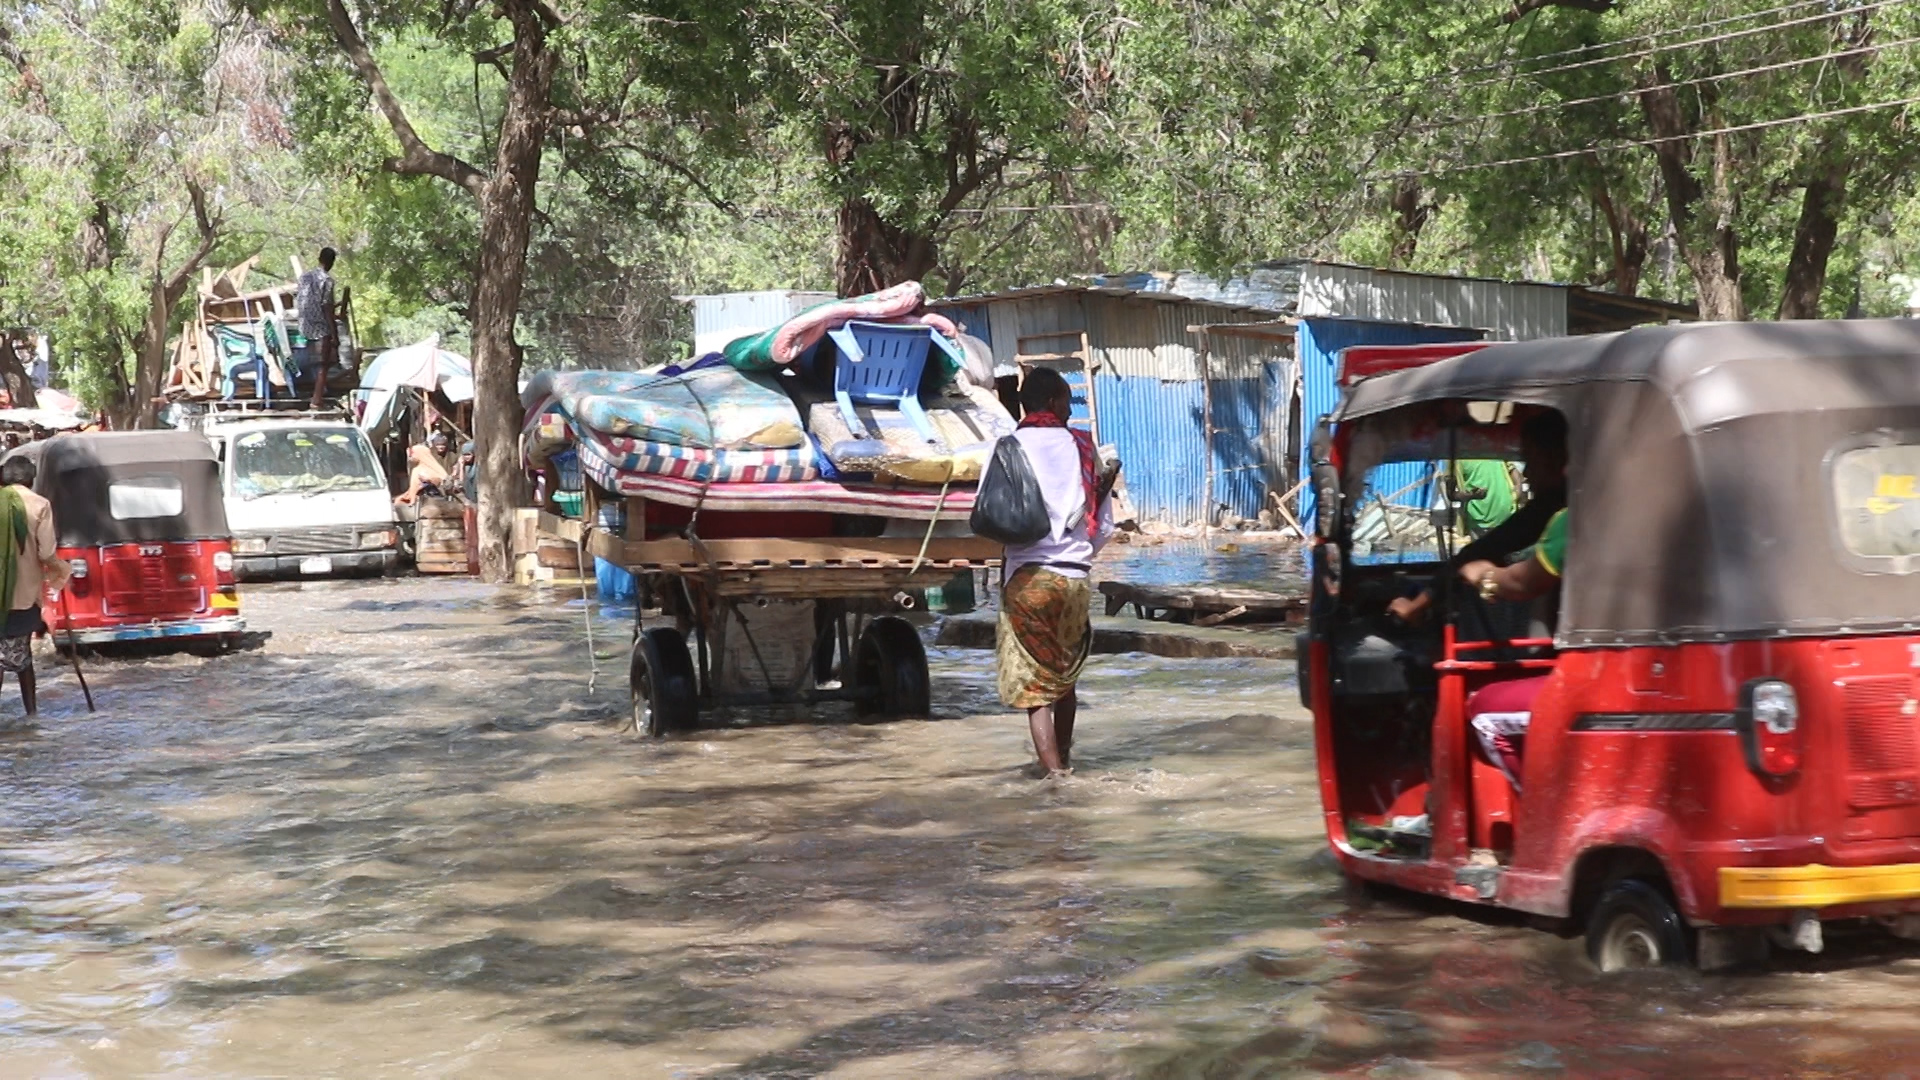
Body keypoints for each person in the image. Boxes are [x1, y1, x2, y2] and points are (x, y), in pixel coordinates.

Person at [992, 368, 1118, 779]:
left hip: (1025, 580)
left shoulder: (1006, 446)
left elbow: (987, 511)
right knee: (1064, 678)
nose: (1069, 408)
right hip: (1074, 578)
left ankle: (1055, 777)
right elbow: (1106, 524)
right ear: (1052, 402)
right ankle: (1064, 759)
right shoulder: (1083, 446)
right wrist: (1079, 554)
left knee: (1035, 687)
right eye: (1066, 400)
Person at [1387, 409, 1568, 626]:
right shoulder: (1550, 507)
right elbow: (1493, 543)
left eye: (1531, 459)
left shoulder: (1568, 518)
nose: (1527, 473)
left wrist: (1485, 576)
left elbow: (1523, 581)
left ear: (1556, 459)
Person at [0, 457, 69, 717]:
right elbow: (47, 553)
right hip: (23, 594)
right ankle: (31, 716)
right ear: (31, 480)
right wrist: (61, 574)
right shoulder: (40, 505)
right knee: (21, 654)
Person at [297, 247, 338, 409]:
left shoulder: (305, 277)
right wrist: (334, 334)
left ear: (319, 258)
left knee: (311, 361)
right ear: (331, 262)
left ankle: (310, 391)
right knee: (323, 365)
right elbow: (327, 308)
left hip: (304, 325)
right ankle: (316, 399)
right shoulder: (327, 281)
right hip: (319, 327)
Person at [394, 432, 452, 507]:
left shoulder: (423, 469)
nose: (411, 458)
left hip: (429, 502)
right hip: (427, 499)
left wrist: (428, 481)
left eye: (412, 455)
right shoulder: (429, 468)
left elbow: (443, 482)